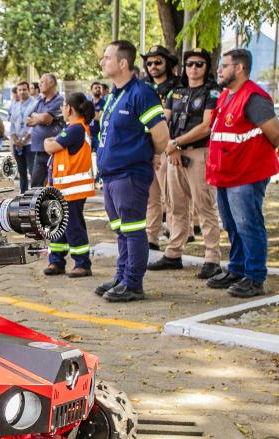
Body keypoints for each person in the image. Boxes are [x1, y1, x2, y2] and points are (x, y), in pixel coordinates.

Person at [95, 40, 169, 302]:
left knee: (133, 228)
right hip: (111, 175)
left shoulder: (142, 93)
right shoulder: (113, 95)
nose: (102, 62)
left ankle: (133, 283)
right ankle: (122, 275)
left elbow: (161, 135)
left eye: (107, 58)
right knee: (120, 229)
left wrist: (151, 155)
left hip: (129, 174)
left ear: (122, 63)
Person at [205, 48, 279, 298]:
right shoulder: (227, 95)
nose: (219, 70)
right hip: (227, 174)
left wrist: (254, 156)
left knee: (249, 225)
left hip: (247, 174)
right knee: (232, 224)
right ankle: (237, 269)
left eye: (224, 65)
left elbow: (276, 133)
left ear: (239, 68)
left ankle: (255, 277)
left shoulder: (253, 98)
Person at [148, 48, 223, 279]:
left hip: (200, 153)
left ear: (206, 67)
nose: (194, 68)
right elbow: (164, 120)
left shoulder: (212, 92)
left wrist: (175, 143)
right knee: (175, 206)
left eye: (199, 64)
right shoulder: (176, 92)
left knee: (204, 206)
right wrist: (171, 146)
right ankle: (173, 253)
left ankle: (212, 258)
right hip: (174, 155)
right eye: (190, 64)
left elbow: (206, 125)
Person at [43, 92, 97, 278]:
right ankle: (56, 261)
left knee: (74, 226)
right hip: (63, 190)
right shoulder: (74, 128)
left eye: (63, 106)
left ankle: (82, 263)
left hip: (71, 191)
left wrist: (46, 141)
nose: (62, 110)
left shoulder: (75, 129)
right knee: (58, 225)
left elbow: (51, 147)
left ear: (69, 108)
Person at [141, 45, 180, 250]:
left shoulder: (178, 87)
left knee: (171, 197)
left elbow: (168, 118)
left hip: (169, 146)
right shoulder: (143, 87)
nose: (153, 66)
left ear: (167, 63)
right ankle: (151, 237)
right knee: (151, 197)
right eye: (149, 63)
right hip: (146, 147)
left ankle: (175, 240)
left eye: (158, 62)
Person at [26, 73, 63, 188]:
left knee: (52, 184)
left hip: (53, 151)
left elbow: (46, 118)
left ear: (52, 83)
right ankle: (37, 206)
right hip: (38, 150)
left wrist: (38, 117)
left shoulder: (59, 100)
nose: (39, 84)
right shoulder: (40, 101)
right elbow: (27, 120)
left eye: (42, 82)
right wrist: (40, 118)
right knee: (35, 185)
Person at [9, 81, 37, 192]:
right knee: (21, 171)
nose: (22, 92)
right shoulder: (15, 105)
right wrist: (15, 139)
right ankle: (23, 193)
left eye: (24, 89)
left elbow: (34, 124)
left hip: (29, 143)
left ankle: (34, 193)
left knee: (32, 170)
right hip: (17, 144)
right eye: (19, 90)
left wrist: (24, 140)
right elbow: (12, 124)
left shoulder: (34, 104)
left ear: (29, 90)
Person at [89, 81, 106, 148]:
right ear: (91, 90)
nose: (98, 89)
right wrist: (95, 113)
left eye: (99, 88)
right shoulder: (89, 102)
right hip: (89, 134)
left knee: (100, 155)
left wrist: (89, 111)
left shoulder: (104, 102)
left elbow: (99, 117)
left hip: (99, 135)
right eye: (95, 88)